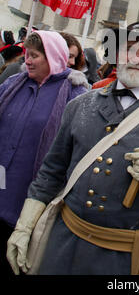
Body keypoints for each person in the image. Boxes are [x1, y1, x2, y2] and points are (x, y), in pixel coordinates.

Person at [7, 21, 139, 276]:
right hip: (62, 244)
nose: (137, 58)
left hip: (120, 257)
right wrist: (24, 227)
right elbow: (51, 172)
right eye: (129, 48)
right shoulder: (79, 105)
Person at [0, 30, 88, 275]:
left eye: (35, 56)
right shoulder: (12, 85)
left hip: (31, 201)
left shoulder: (76, 96)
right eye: (27, 54)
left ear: (53, 57)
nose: (27, 60)